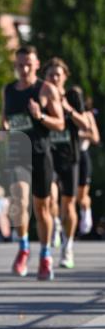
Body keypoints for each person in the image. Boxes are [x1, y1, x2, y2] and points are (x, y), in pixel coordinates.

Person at [1, 45, 64, 281]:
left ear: (37, 65)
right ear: (15, 65)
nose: (24, 69)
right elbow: (4, 120)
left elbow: (60, 124)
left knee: (42, 208)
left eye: (28, 64)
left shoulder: (46, 89)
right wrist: (4, 129)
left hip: (40, 154)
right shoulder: (8, 90)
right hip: (18, 154)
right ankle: (24, 247)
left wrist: (41, 116)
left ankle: (45, 255)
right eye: (20, 65)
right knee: (19, 199)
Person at [43, 59, 91, 269]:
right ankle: (55, 224)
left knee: (69, 204)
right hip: (48, 156)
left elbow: (85, 124)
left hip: (70, 156)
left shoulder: (72, 96)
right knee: (50, 197)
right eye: (51, 75)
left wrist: (68, 109)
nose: (54, 78)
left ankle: (67, 246)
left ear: (65, 77)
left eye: (58, 75)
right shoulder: (40, 96)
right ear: (45, 77)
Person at [77, 94, 100, 236]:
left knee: (82, 195)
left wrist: (80, 135)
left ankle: (85, 210)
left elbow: (96, 138)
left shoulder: (87, 115)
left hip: (82, 154)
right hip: (67, 156)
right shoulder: (64, 113)